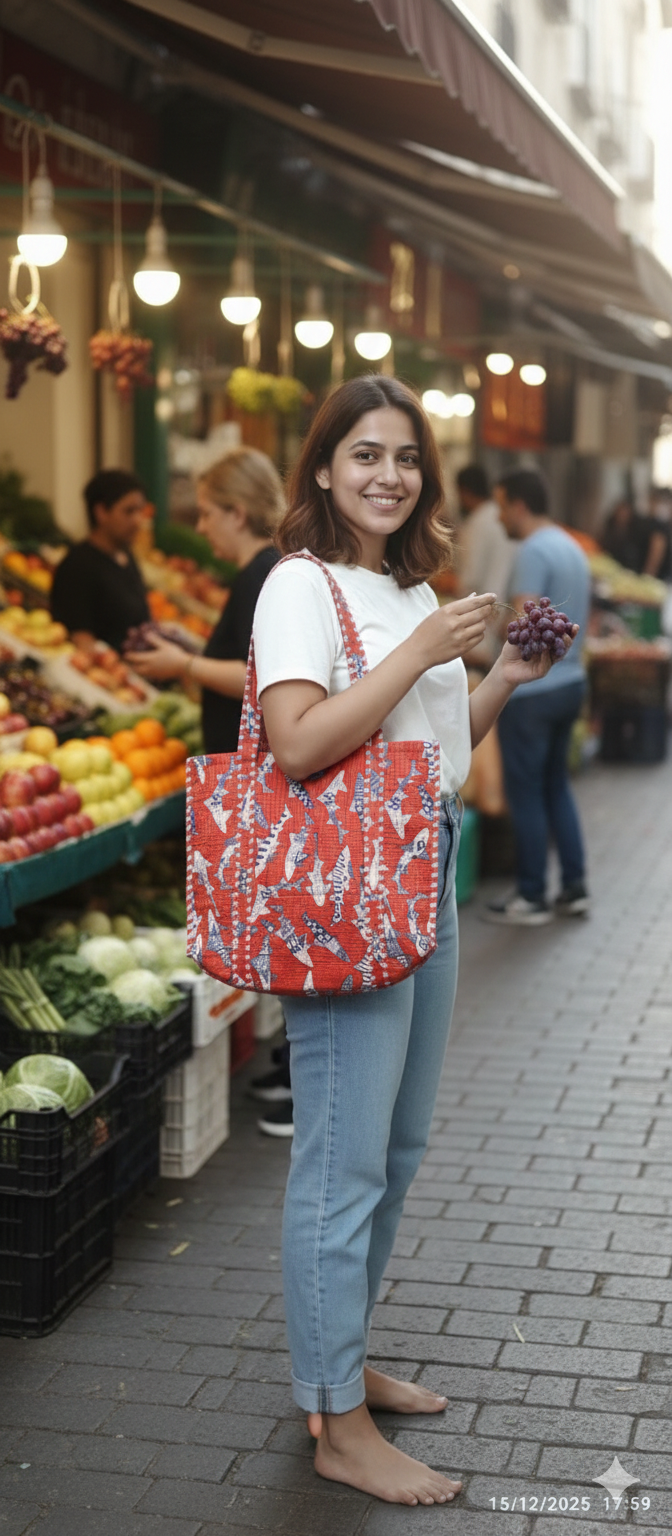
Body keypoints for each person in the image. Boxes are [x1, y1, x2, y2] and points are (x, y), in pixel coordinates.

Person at [251, 375, 578, 1506]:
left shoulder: (404, 587)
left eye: (404, 458)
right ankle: (334, 1420)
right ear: (324, 468)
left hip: (419, 874)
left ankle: (341, 1366)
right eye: (363, 455)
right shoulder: (300, 587)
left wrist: (497, 678)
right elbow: (296, 746)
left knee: (395, 1151)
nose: (387, 475)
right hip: (346, 896)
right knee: (337, 1163)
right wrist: (423, 646)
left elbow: (425, 753)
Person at [128, 447, 283, 755]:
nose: (200, 527)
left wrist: (184, 664)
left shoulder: (257, 577)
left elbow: (258, 680)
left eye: (206, 514)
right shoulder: (268, 568)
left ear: (238, 514)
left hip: (248, 772)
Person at [487, 467, 590, 926]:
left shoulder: (531, 549)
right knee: (557, 787)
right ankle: (574, 887)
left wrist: (487, 626)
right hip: (572, 684)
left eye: (502, 504)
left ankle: (531, 895)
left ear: (520, 505)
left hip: (535, 692)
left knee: (526, 793)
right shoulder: (571, 544)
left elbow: (525, 623)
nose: (499, 515)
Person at [50, 469, 150, 652]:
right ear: (101, 512)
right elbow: (81, 639)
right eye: (129, 511)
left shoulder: (125, 555)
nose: (138, 521)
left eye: (140, 511)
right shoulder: (78, 567)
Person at [456, 462, 514, 604]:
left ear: (464, 491)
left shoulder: (475, 524)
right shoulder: (503, 515)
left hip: (483, 609)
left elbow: (471, 577)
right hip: (509, 606)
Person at [601, 496, 648, 573]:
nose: (622, 514)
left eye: (625, 511)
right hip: (609, 568)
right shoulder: (609, 527)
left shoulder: (636, 532)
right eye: (620, 511)